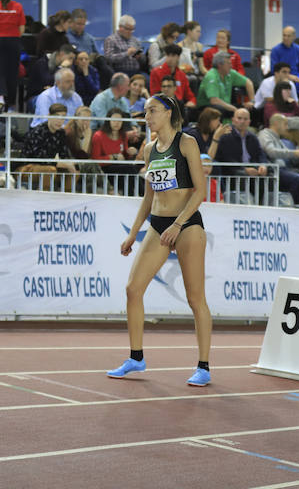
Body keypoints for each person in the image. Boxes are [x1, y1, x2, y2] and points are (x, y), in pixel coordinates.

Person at [110, 94, 211, 386]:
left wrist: (179, 224)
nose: (146, 117)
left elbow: (199, 191)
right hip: (158, 224)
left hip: (187, 224)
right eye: (145, 112)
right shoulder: (149, 149)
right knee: (133, 289)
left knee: (195, 298)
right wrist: (133, 232)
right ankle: (136, 358)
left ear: (168, 112)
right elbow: (148, 196)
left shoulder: (187, 143)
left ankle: (203, 366)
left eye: (152, 111)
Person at [257, 113, 299, 204]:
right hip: (274, 170)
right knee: (297, 179)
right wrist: (295, 153)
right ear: (276, 124)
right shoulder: (265, 134)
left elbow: (289, 155)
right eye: (285, 124)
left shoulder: (278, 138)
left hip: (285, 169)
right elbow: (271, 152)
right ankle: (293, 210)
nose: (287, 127)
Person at [23, 103, 78, 174]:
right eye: (56, 116)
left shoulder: (61, 133)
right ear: (49, 116)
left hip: (49, 165)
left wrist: (71, 163)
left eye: (63, 117)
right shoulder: (38, 132)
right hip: (28, 166)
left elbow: (64, 155)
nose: (59, 120)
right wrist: (61, 164)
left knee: (74, 170)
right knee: (50, 170)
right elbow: (39, 159)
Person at [198, 51, 254, 117]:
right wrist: (234, 109)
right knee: (220, 109)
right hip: (207, 107)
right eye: (229, 63)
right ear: (219, 65)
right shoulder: (211, 76)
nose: (231, 66)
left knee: (250, 109)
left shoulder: (230, 73)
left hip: (225, 104)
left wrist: (252, 101)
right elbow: (214, 101)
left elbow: (248, 82)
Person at [270, 27, 299, 93]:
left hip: (298, 79)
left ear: (294, 37)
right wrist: (289, 76)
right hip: (282, 79)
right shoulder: (275, 50)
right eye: (284, 35)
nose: (285, 38)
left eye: (288, 36)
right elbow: (274, 70)